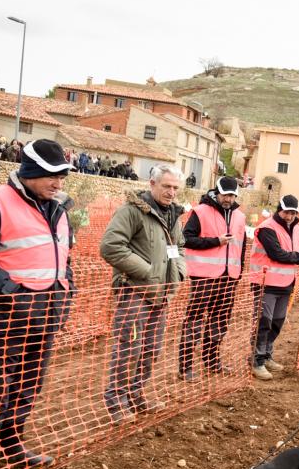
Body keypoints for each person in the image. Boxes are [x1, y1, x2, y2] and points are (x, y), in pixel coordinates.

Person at [0, 139, 76, 469]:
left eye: (62, 176)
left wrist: (66, 296)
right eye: (52, 176)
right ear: (30, 171)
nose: (58, 183)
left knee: (28, 384)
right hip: (2, 318)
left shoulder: (59, 209)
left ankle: (12, 444)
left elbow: (64, 259)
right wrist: (15, 295)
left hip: (45, 316)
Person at [99, 165, 186, 424]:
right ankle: (116, 402)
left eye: (175, 188)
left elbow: (179, 246)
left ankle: (137, 394)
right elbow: (111, 247)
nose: (171, 192)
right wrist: (148, 271)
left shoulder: (173, 215)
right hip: (135, 293)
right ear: (152, 183)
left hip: (162, 295)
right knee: (128, 348)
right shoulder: (132, 211)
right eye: (166, 186)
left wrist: (178, 271)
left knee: (151, 349)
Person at [248, 195, 299, 380]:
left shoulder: (296, 229)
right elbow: (277, 254)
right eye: (286, 212)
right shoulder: (267, 228)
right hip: (265, 283)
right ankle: (256, 361)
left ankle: (266, 355)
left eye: (293, 213)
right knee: (263, 322)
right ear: (279, 209)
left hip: (285, 283)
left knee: (277, 322)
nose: (289, 216)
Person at [178, 176, 246, 381]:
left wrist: (238, 272)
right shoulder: (200, 212)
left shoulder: (240, 217)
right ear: (216, 192)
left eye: (233, 195)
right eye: (225, 194)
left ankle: (211, 360)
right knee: (195, 322)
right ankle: (186, 367)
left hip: (229, 279)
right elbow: (186, 239)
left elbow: (240, 247)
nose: (229, 199)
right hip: (204, 278)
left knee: (220, 321)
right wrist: (215, 241)